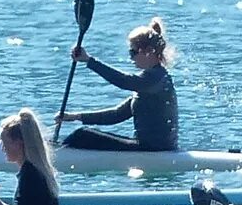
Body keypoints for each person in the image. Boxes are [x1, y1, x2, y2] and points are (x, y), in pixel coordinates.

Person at [62, 19, 179, 154]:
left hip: (152, 149)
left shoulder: (154, 78)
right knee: (85, 134)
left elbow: (123, 81)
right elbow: (116, 115)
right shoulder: (151, 81)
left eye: (133, 52)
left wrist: (89, 61)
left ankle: (53, 154)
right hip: (154, 147)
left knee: (82, 135)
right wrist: (75, 117)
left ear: (148, 51)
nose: (131, 58)